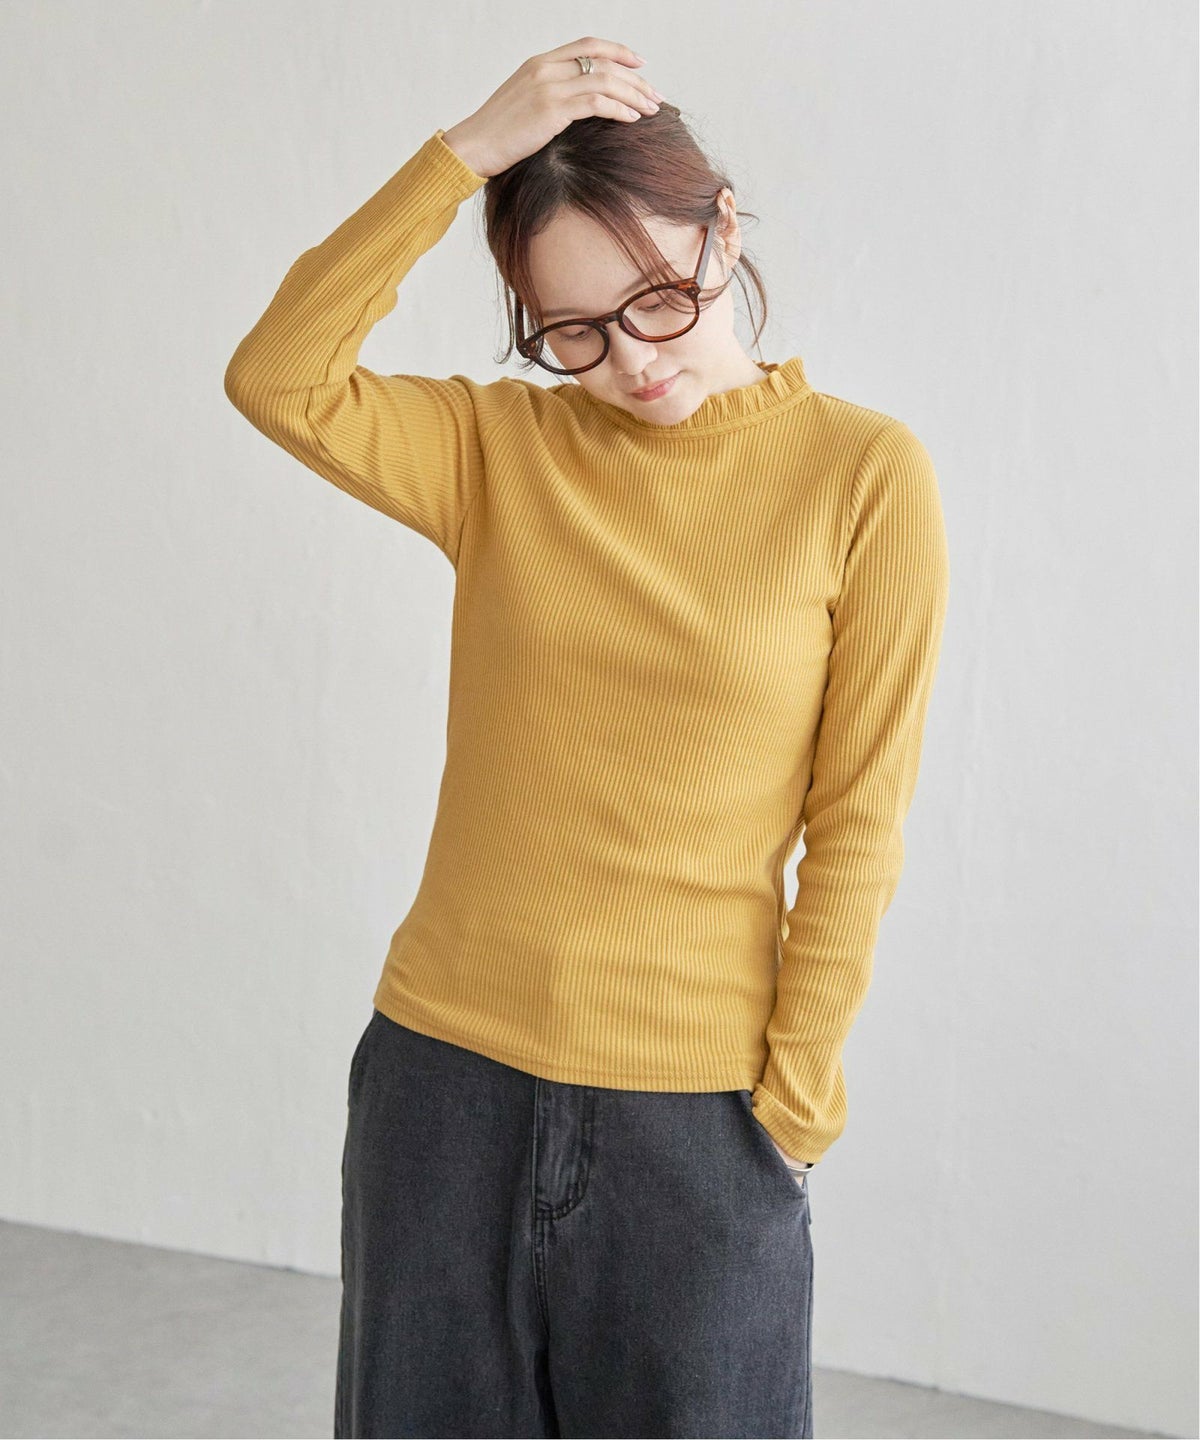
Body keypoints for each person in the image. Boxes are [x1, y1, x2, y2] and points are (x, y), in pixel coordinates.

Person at [224, 34, 950, 1440]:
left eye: (659, 299)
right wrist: (463, 157)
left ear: (722, 228)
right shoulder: (502, 453)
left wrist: (792, 1107)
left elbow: (860, 818)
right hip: (445, 1090)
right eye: (573, 332)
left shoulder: (865, 476)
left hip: (700, 1121)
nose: (632, 362)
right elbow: (280, 378)